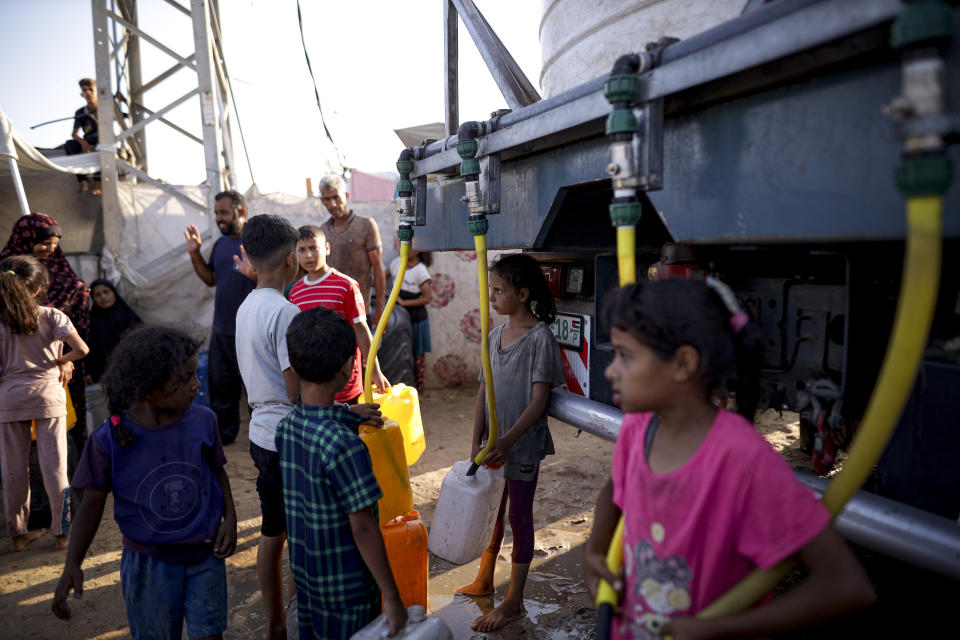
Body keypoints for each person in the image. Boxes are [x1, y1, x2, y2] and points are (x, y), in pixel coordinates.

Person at [582, 278, 875, 639]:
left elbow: (845, 585)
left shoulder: (743, 459)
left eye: (625, 355)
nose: (610, 370)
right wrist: (594, 551)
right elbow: (616, 488)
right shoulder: (638, 428)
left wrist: (721, 628)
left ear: (683, 363)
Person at [51, 326, 237, 638]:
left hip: (205, 555)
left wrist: (230, 518)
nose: (197, 384)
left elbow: (218, 472)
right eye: (187, 377)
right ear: (151, 390)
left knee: (210, 633)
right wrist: (73, 563)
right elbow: (90, 506)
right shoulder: (109, 439)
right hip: (149, 565)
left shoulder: (204, 421)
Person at [277, 307, 407, 639]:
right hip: (348, 589)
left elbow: (319, 415)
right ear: (348, 368)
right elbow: (363, 529)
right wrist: (392, 597)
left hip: (307, 580)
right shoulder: (345, 446)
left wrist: (349, 413)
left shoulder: (286, 428)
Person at [456, 253, 565, 632]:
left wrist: (507, 439)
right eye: (491, 289)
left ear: (522, 293)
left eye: (499, 290)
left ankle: (514, 601)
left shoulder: (540, 338)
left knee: (519, 517)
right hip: (494, 445)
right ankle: (486, 578)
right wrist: (477, 441)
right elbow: (483, 392)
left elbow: (539, 402)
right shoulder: (493, 335)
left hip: (520, 445)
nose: (493, 297)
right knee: (492, 513)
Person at [0, 256, 89, 551]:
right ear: (38, 289)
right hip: (48, 395)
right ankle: (62, 533)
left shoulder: (2, 322)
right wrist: (61, 361)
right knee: (56, 466)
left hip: (10, 399)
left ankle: (18, 534)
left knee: (14, 469)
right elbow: (82, 349)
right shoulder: (52, 316)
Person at [2, 213, 90, 455]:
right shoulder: (7, 272)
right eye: (44, 243)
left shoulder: (61, 271)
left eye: (55, 244)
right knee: (21, 449)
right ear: (26, 238)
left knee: (57, 443)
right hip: (17, 369)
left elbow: (78, 330)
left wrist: (65, 360)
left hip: (59, 374)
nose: (50, 249)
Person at [185, 189, 256, 445]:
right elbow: (211, 279)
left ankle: (263, 438)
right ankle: (225, 439)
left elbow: (275, 280)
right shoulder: (221, 244)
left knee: (256, 390)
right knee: (220, 388)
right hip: (223, 330)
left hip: (251, 331)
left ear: (242, 212)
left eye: (224, 212)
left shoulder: (257, 243)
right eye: (216, 213)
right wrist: (195, 253)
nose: (219, 218)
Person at [288, 225, 389, 403]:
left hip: (346, 385)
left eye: (313, 248)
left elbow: (361, 329)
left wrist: (375, 371)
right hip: (313, 388)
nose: (308, 255)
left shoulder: (346, 286)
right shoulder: (295, 292)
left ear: (327, 248)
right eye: (301, 250)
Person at [317, 174, 386, 325]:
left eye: (336, 197)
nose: (333, 204)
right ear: (322, 201)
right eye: (327, 199)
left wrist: (381, 311)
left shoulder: (366, 225)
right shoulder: (323, 231)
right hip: (331, 313)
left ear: (346, 195)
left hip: (359, 311)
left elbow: (378, 268)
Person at [388, 249, 432, 394]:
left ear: (419, 249)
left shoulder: (421, 270)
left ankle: (418, 392)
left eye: (411, 245)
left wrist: (404, 303)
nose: (405, 246)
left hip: (416, 318)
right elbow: (380, 278)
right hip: (399, 316)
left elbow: (427, 298)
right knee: (401, 352)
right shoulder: (396, 263)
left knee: (417, 355)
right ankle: (402, 391)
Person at [83, 279, 142, 384]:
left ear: (114, 292)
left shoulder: (128, 316)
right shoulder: (91, 323)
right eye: (97, 295)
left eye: (106, 292)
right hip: (107, 376)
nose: (103, 297)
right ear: (93, 299)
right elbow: (89, 350)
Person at [62, 78, 101, 195]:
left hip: (103, 140)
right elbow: (74, 133)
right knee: (69, 145)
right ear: (81, 94)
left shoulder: (106, 108)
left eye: (91, 89)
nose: (88, 93)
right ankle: (83, 179)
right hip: (88, 140)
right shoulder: (80, 112)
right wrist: (83, 143)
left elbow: (124, 116)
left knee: (104, 148)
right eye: (84, 90)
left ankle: (98, 181)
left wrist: (123, 100)